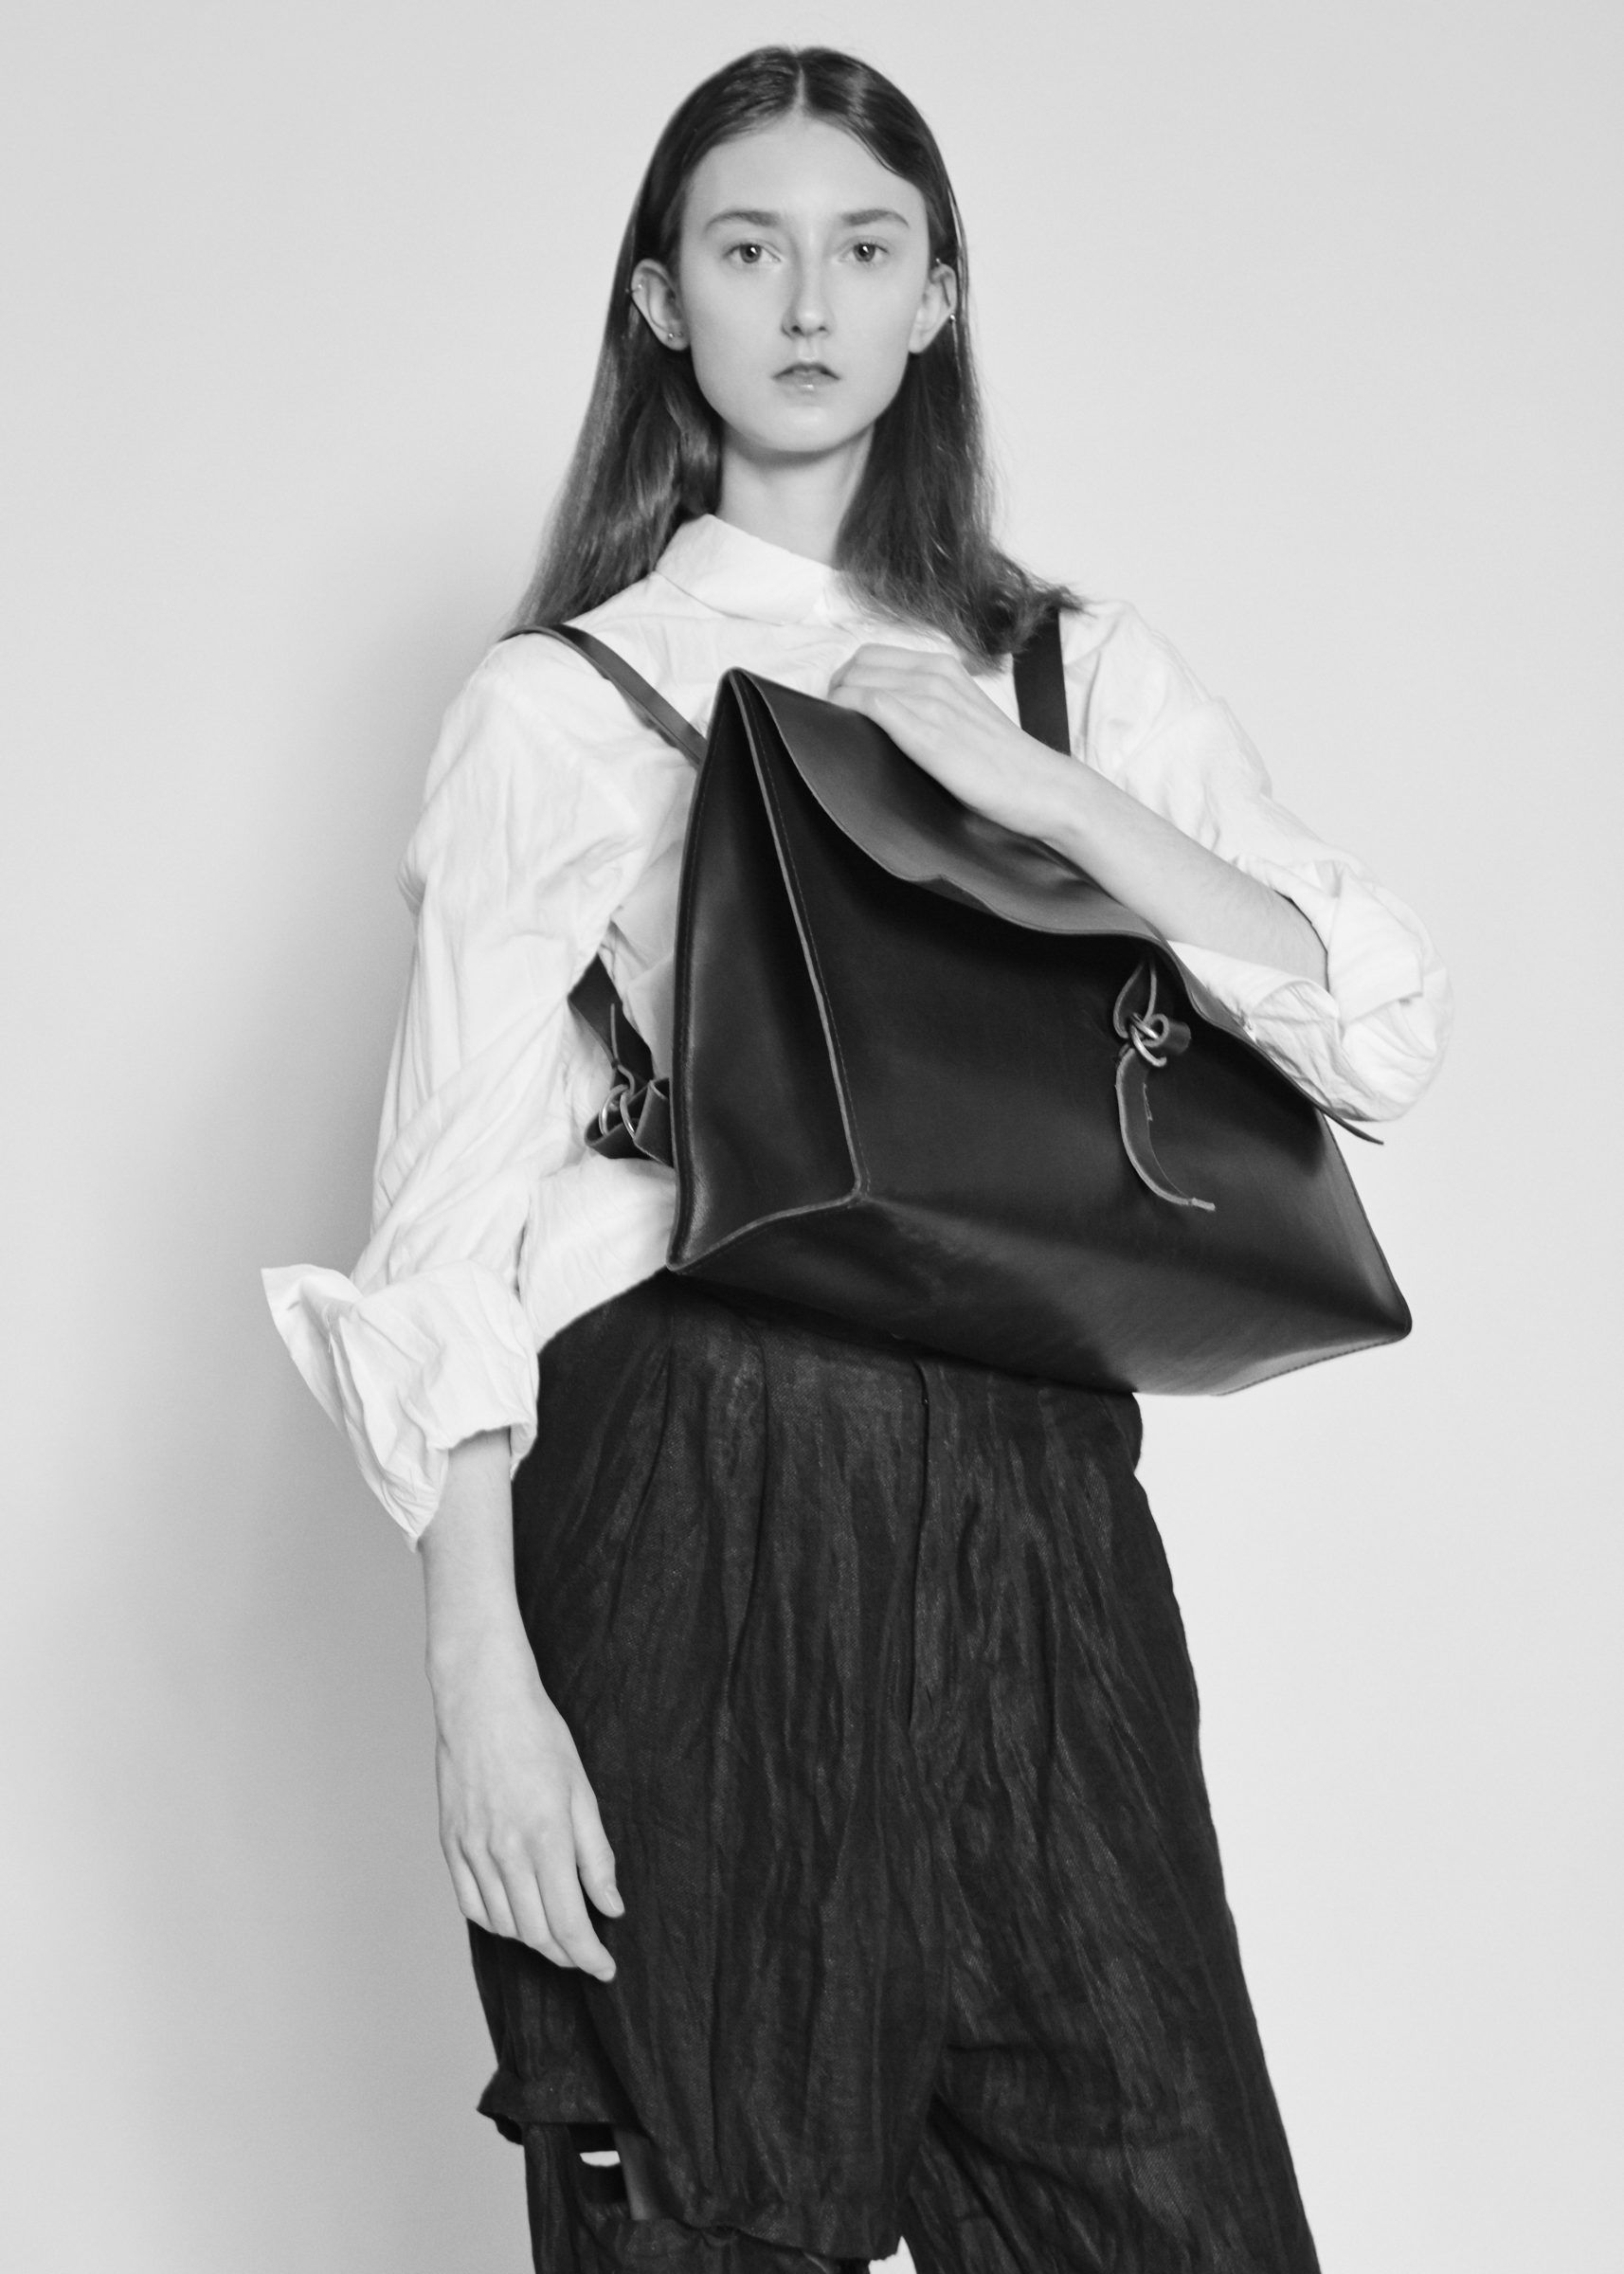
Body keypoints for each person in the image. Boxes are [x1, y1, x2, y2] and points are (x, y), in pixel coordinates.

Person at [265, 45, 1449, 2274]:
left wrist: (1048, 797)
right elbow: (444, 1232)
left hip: (1033, 1520)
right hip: (693, 1496)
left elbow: (1373, 1027)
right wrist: (478, 1688)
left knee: (1168, 2210)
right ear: (660, 303)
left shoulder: (1070, 675)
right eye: (746, 248)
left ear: (935, 297)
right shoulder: (563, 703)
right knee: (700, 2225)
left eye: (862, 247)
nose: (806, 301)